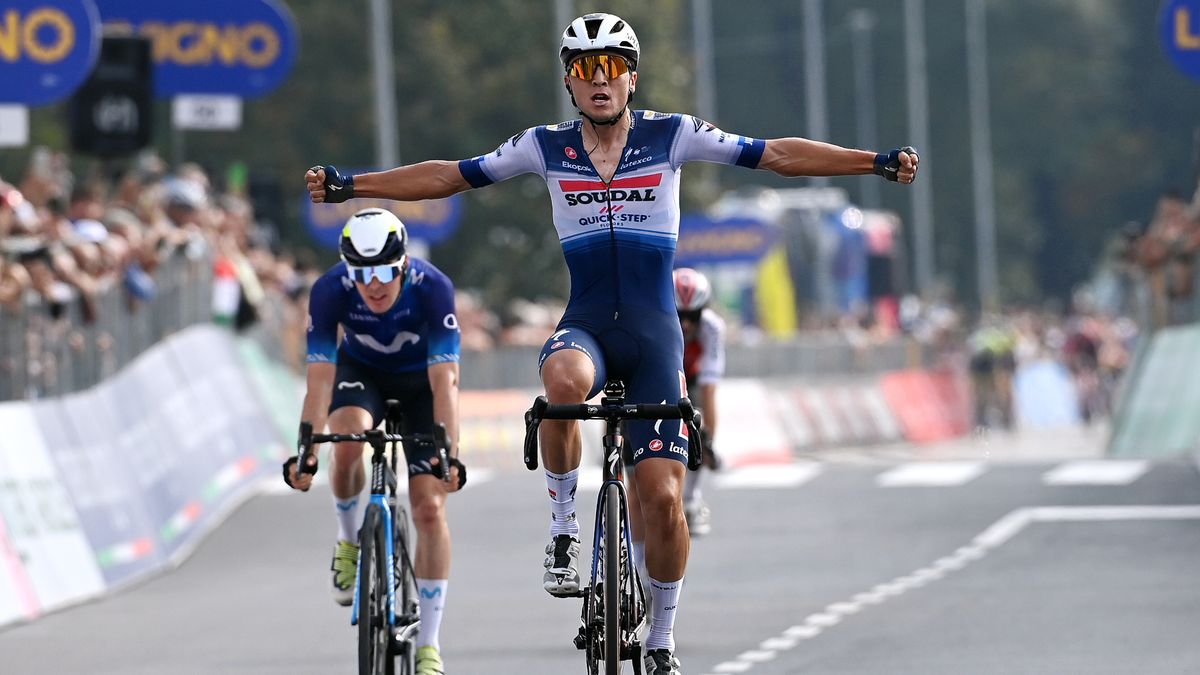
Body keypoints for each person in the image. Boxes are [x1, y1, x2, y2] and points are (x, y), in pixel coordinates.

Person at [305, 13, 917, 674]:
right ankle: (565, 526)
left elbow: (777, 154)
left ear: (631, 75)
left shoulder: (673, 135)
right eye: (585, 69)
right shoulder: (545, 146)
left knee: (661, 501)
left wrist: (873, 163)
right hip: (589, 323)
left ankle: (661, 637)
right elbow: (450, 176)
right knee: (562, 382)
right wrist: (353, 186)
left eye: (613, 67)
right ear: (570, 80)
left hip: (654, 336)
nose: (601, 81)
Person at [283, 207, 464, 675]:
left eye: (385, 271)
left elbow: (446, 382)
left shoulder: (434, 287)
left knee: (429, 506)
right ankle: (348, 541)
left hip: (422, 384)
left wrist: (452, 454)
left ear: (404, 263)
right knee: (345, 443)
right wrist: (307, 452)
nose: (374, 285)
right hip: (361, 375)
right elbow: (319, 381)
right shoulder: (328, 291)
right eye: (362, 274)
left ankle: (429, 643)